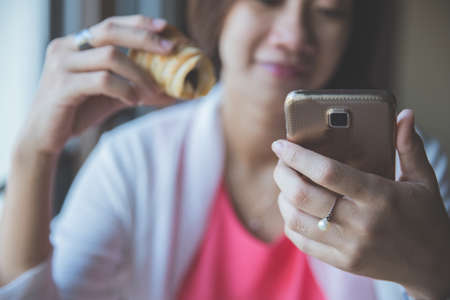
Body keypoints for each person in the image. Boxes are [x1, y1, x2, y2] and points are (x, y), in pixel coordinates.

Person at [1, 0, 449, 299]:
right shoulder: (133, 163)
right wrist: (32, 155)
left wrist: (434, 275)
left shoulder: (410, 177)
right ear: (220, 10)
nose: (295, 35)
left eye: (329, 10)